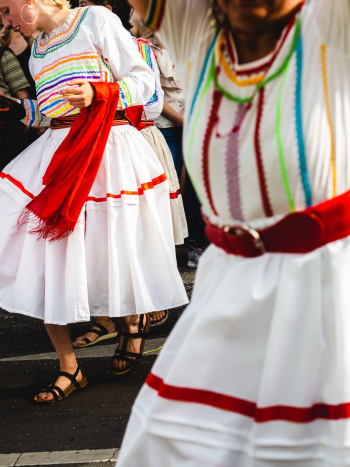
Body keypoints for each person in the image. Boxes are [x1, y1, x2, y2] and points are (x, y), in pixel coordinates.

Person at [117, 0, 350, 465]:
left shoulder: (330, 24)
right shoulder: (198, 37)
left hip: (327, 289)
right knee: (178, 447)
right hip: (226, 289)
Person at [0, 0, 188, 403]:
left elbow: (145, 84)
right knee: (47, 253)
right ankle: (70, 366)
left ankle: (131, 323)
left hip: (109, 149)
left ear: (30, 1)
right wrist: (18, 108)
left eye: (6, 8)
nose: (6, 19)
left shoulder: (95, 20)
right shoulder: (35, 51)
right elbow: (50, 113)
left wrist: (98, 92)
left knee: (112, 247)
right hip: (59, 151)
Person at [145, 31, 206, 268]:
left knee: (196, 186)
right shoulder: (145, 49)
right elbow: (152, 96)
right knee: (165, 187)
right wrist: (183, 121)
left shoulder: (193, 44)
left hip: (198, 122)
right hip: (166, 126)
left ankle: (196, 245)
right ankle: (162, 252)